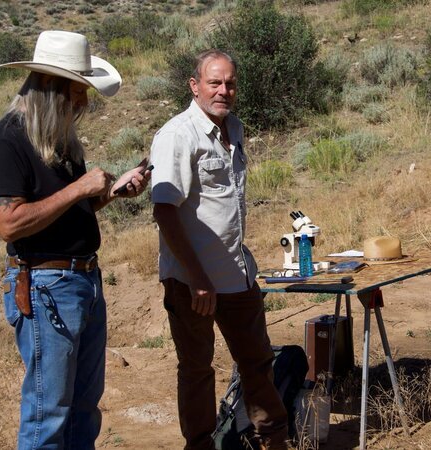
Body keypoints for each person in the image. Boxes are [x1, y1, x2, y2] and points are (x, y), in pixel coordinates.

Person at [0, 30, 151, 448]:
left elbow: (69, 213)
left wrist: (110, 192)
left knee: (83, 409)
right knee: (48, 413)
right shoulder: (7, 140)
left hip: (82, 283)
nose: (85, 103)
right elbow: (11, 223)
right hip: (45, 287)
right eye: (79, 92)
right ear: (54, 89)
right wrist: (79, 188)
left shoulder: (58, 141)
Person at [149, 50, 288, 450]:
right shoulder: (178, 134)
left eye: (229, 83)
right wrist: (197, 277)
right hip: (193, 280)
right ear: (195, 86)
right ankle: (200, 445)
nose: (223, 90)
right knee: (196, 371)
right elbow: (165, 211)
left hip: (236, 272)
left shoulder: (235, 128)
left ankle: (273, 441)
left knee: (258, 363)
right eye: (214, 82)